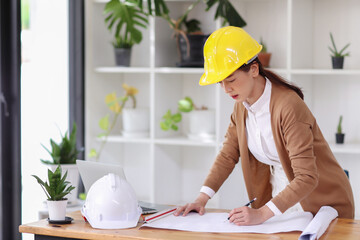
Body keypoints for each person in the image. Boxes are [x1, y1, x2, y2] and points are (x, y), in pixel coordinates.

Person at [174, 26, 354, 225]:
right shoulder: (241, 107)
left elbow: (306, 177)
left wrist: (261, 214)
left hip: (320, 205)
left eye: (231, 80)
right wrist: (201, 199)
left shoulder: (288, 106)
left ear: (253, 69)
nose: (226, 89)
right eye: (220, 83)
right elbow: (227, 155)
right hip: (279, 200)